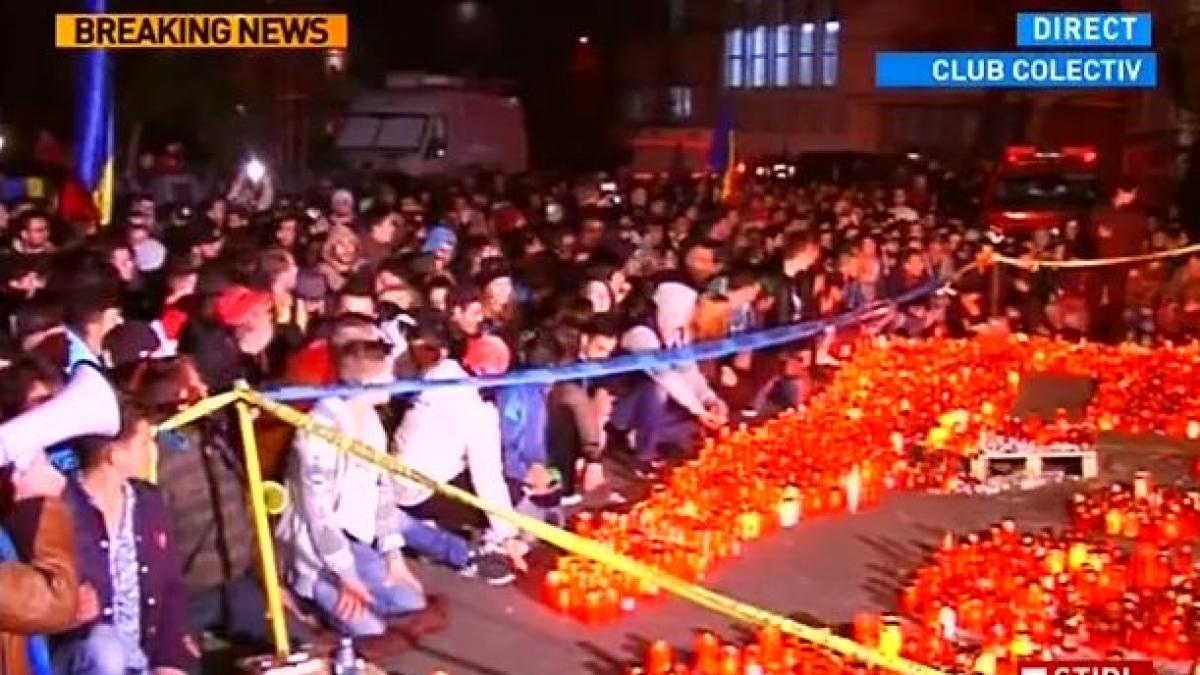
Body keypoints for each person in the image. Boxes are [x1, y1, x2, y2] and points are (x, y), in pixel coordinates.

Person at [275, 339, 435, 650]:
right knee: (370, 628)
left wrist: (394, 557)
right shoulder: (318, 433)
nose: (393, 381)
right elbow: (318, 518)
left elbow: (382, 490)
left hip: (357, 540)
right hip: (317, 554)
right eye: (386, 375)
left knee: (411, 601)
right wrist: (347, 578)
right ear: (366, 383)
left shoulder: (373, 422)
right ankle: (307, 595)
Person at [54, 400, 193, 675]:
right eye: (143, 443)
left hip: (143, 662)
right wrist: (66, 609)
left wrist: (169, 661)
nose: (152, 452)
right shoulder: (58, 509)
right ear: (113, 455)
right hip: (81, 661)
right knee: (105, 649)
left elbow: (170, 589)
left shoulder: (149, 502)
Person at [390, 316, 526, 574]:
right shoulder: (478, 410)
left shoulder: (439, 373)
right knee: (513, 489)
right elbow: (487, 477)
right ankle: (485, 544)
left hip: (394, 474)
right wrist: (508, 534)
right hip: (419, 491)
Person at [615, 280, 728, 478]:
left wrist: (709, 399)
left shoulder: (677, 335)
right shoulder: (640, 334)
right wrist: (698, 410)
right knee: (660, 388)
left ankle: (660, 437)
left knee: (693, 421)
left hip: (655, 406)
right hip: (622, 404)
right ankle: (642, 451)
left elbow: (688, 371)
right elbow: (665, 376)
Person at [1087, 176, 1149, 342]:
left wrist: (1135, 266)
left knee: (1116, 302)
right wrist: (1097, 232)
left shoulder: (1136, 214)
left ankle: (1114, 339)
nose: (1134, 197)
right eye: (1132, 193)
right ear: (1120, 192)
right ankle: (1094, 337)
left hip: (1121, 265)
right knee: (1094, 299)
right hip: (1099, 263)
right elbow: (1090, 230)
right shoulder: (1102, 208)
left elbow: (1138, 242)